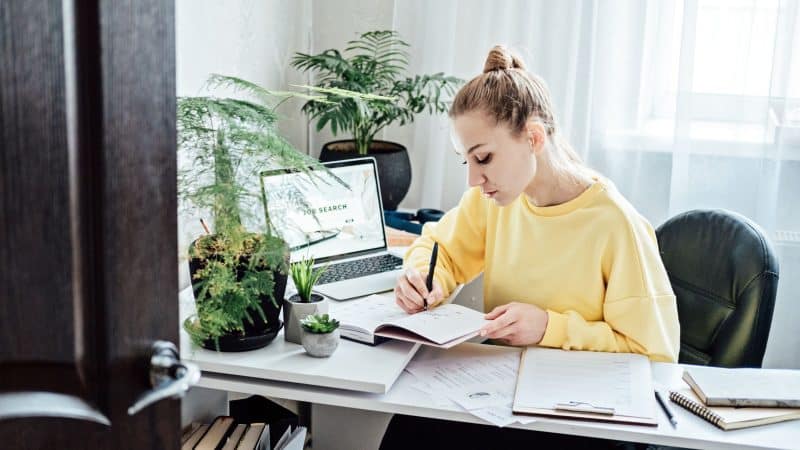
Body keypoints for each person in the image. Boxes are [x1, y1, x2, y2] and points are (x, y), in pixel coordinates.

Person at [380, 45, 679, 450]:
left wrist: (549, 327)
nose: (473, 179)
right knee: (409, 427)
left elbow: (653, 354)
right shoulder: (497, 199)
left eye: (483, 158)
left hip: (579, 416)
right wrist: (422, 278)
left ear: (534, 137)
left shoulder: (615, 224)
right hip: (504, 395)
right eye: (465, 161)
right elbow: (440, 248)